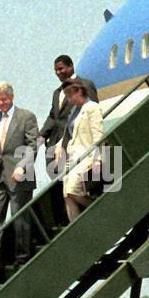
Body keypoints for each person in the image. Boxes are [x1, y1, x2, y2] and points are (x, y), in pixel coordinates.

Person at [0, 82, 39, 283]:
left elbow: (32, 145)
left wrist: (23, 166)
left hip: (19, 173)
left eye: (4, 99)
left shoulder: (26, 117)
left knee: (19, 216)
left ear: (11, 97)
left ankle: (22, 257)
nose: (1, 103)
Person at [40, 56, 99, 225]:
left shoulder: (84, 86)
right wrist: (41, 136)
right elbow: (53, 117)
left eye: (61, 69)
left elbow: (91, 111)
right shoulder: (57, 93)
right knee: (61, 186)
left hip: (76, 143)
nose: (59, 73)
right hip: (57, 145)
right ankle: (68, 221)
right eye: (56, 70)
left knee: (73, 186)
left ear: (71, 67)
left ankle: (87, 213)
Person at [55, 79, 106, 221]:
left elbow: (98, 134)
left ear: (79, 91)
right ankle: (75, 226)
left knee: (72, 190)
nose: (70, 100)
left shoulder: (92, 108)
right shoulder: (74, 113)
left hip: (87, 155)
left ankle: (97, 210)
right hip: (74, 157)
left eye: (71, 96)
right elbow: (69, 134)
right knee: (66, 193)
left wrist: (98, 158)